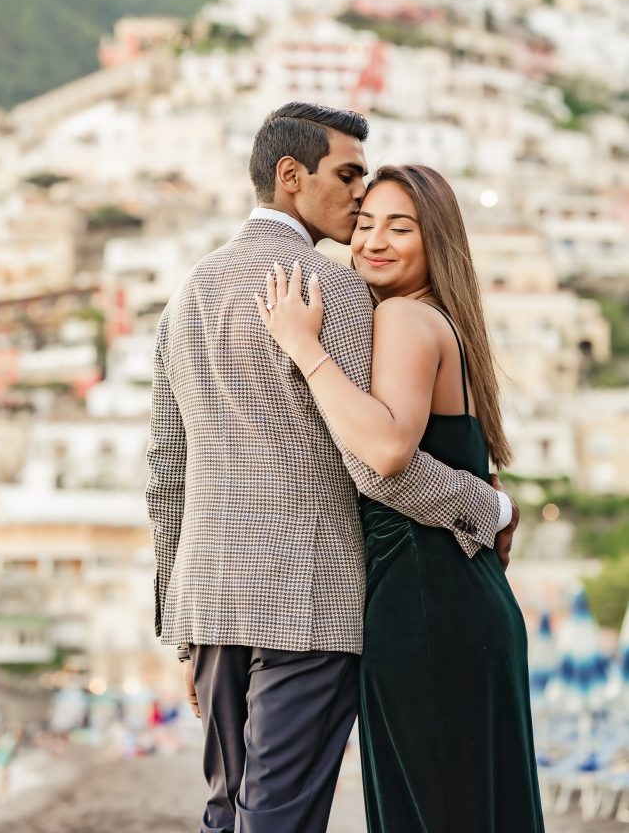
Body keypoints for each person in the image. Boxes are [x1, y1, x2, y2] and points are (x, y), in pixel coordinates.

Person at [145, 103, 517, 833]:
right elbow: (380, 467)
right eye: (346, 175)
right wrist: (488, 508)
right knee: (279, 817)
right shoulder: (337, 291)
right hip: (309, 603)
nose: (357, 195)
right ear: (291, 177)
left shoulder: (185, 295)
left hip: (209, 600)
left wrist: (182, 628)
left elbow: (166, 476)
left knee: (226, 814)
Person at [256, 163, 545, 833]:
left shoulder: (405, 320)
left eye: (398, 226)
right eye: (363, 225)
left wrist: (303, 345)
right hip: (457, 600)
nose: (372, 241)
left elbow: (385, 454)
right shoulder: (439, 320)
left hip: (423, 607)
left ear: (434, 240)